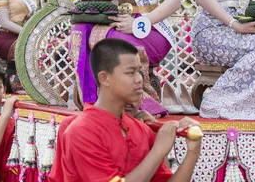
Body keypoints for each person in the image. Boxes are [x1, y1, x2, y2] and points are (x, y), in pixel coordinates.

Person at [49, 38, 201, 182]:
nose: (139, 79)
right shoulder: (81, 131)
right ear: (104, 78)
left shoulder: (141, 130)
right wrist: (159, 150)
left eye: (139, 72)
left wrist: (193, 152)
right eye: (130, 72)